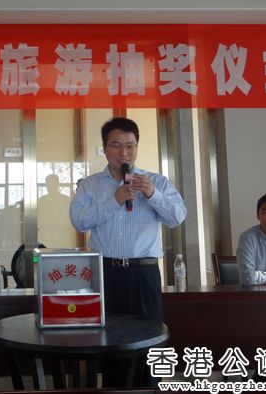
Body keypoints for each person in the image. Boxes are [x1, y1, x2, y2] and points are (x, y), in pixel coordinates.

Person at [69, 117, 186, 387]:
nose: (124, 153)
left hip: (143, 274)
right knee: (110, 342)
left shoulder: (157, 182)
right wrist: (115, 200)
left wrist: (153, 194)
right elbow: (78, 221)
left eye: (130, 146)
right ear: (104, 148)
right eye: (116, 145)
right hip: (105, 274)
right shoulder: (90, 185)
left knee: (149, 341)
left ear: (136, 147)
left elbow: (177, 217)